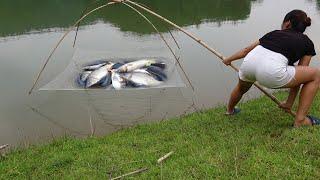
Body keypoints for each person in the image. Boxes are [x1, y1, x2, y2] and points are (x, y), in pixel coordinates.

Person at [223, 9, 319, 127]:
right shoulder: (307, 43)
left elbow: (246, 50)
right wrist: (289, 102)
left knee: (241, 88)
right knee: (316, 74)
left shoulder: (274, 33)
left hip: (248, 65)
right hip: (271, 73)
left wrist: (229, 59)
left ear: (287, 23)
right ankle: (300, 120)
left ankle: (230, 110)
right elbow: (301, 75)